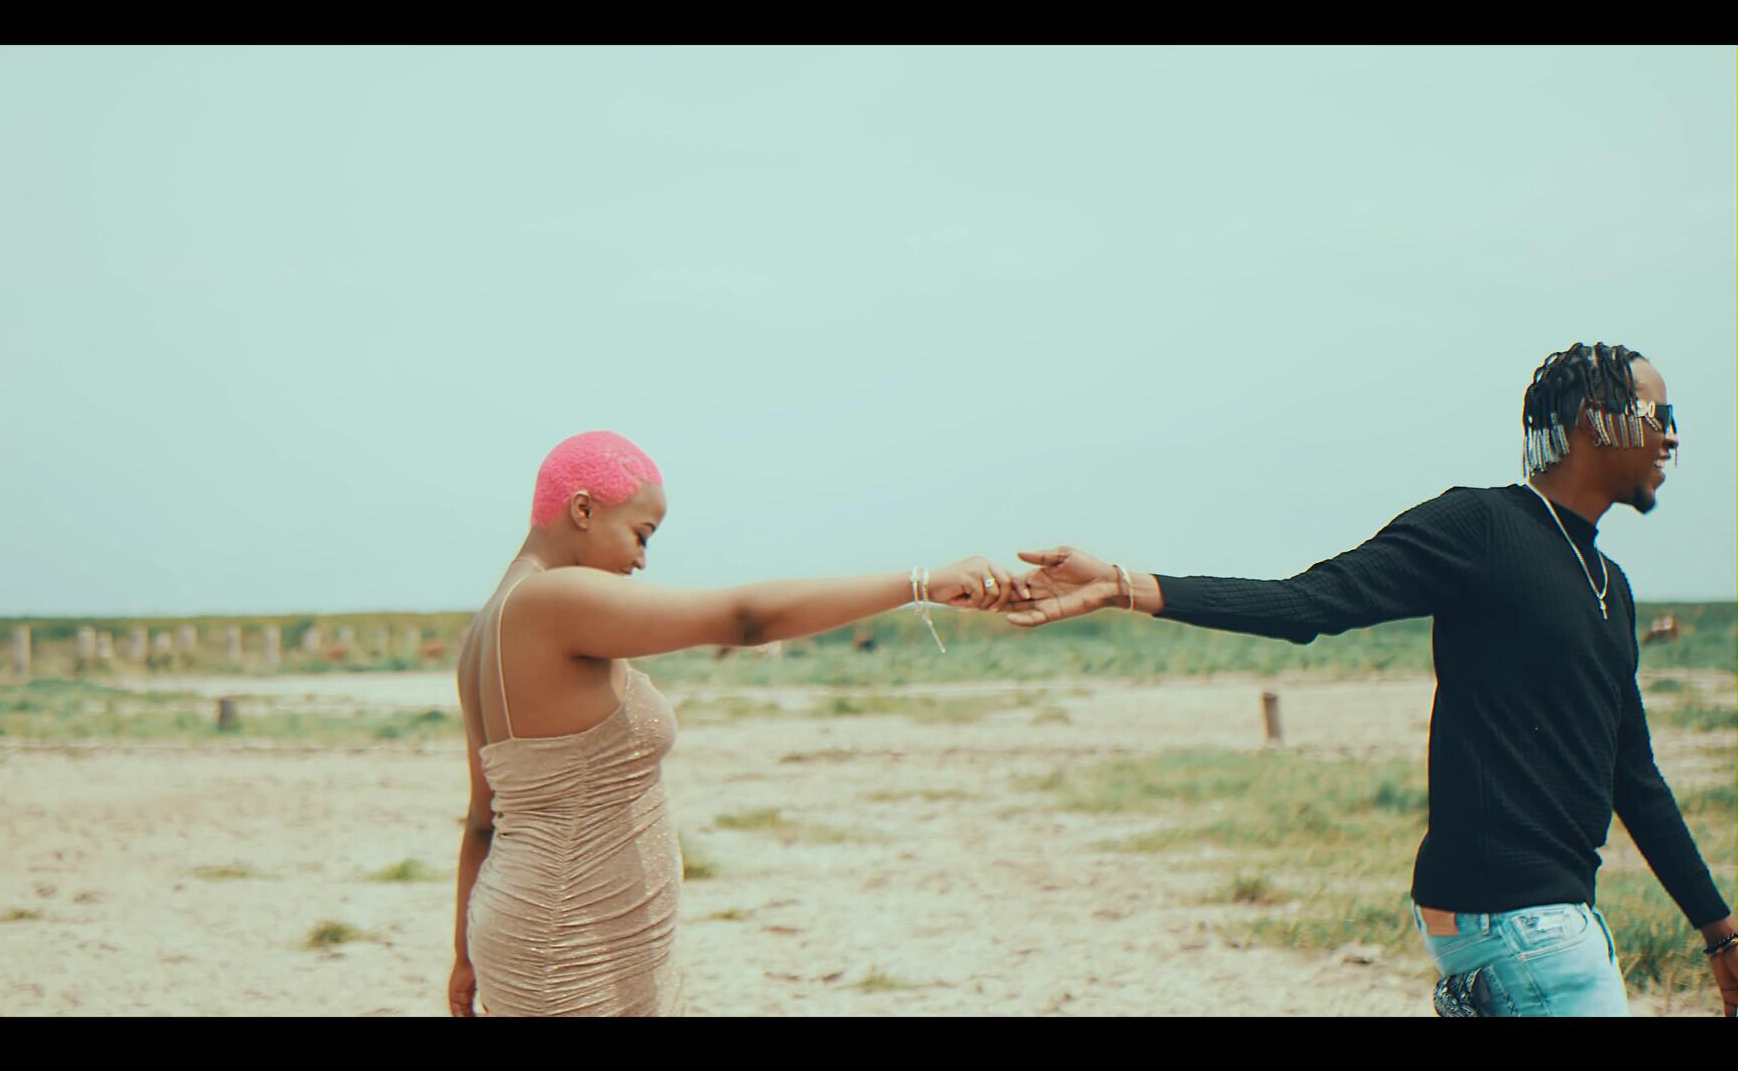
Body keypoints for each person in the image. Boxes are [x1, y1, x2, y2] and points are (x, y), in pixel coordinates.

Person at [999, 343, 1737, 1017]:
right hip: (1524, 926)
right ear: (1596, 419)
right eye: (1661, 417)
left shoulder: (1610, 585)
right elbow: (1308, 603)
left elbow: (1633, 775)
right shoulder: (1481, 528)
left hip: (1542, 921)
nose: (1672, 438)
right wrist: (1122, 585)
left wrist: (1719, 933)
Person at [448, 430, 1018, 1016]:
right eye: (641, 535)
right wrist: (921, 584)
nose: (641, 560)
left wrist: (464, 955)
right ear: (583, 510)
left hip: (542, 926)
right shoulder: (553, 600)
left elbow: (483, 821)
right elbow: (745, 620)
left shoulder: (486, 629)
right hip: (568, 940)